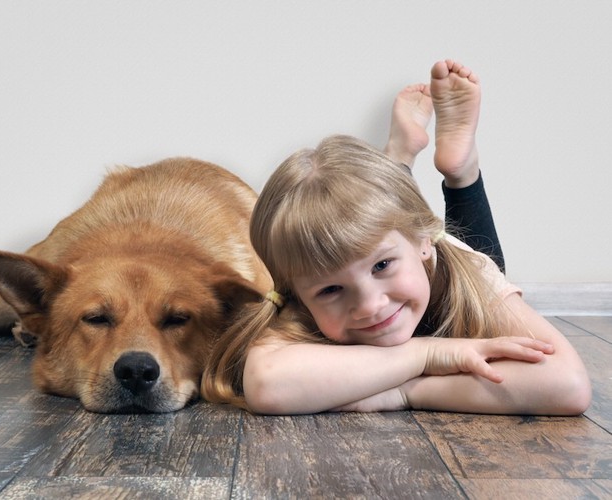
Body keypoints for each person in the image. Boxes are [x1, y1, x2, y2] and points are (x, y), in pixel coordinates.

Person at [201, 60, 591, 416]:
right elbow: (267, 385)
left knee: (481, 264)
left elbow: (569, 386)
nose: (370, 305)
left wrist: (406, 392)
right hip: (408, 240)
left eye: (383, 266)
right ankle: (397, 161)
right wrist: (427, 355)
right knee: (385, 221)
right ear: (298, 295)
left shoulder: (463, 270)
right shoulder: (308, 286)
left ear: (423, 243)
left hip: (444, 260)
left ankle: (458, 171)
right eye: (331, 290)